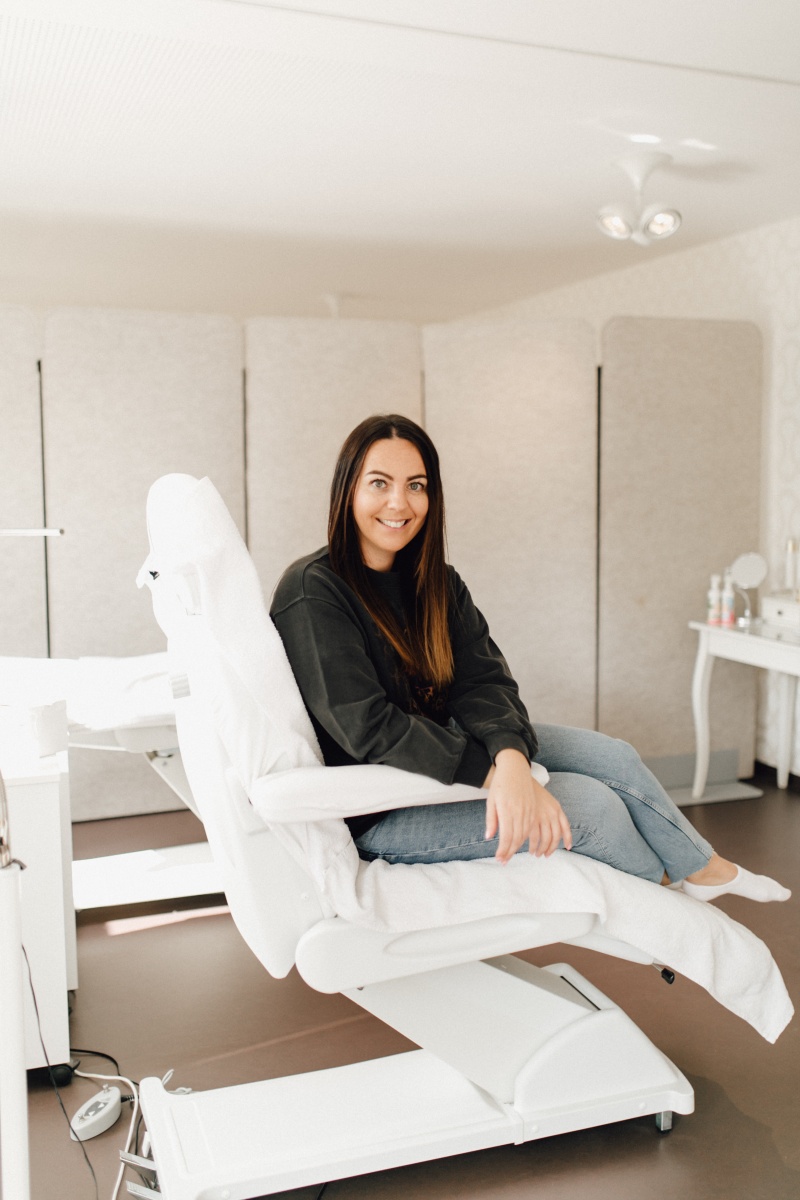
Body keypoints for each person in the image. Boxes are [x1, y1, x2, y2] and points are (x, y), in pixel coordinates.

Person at [271, 414, 790, 905]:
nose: (399, 502)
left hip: (448, 749)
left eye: (416, 485)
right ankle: (668, 900)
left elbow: (484, 681)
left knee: (614, 757)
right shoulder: (313, 590)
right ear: (348, 489)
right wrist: (493, 775)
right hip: (382, 807)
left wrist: (511, 758)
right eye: (379, 483)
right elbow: (368, 727)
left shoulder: (437, 582)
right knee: (591, 808)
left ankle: (702, 868)